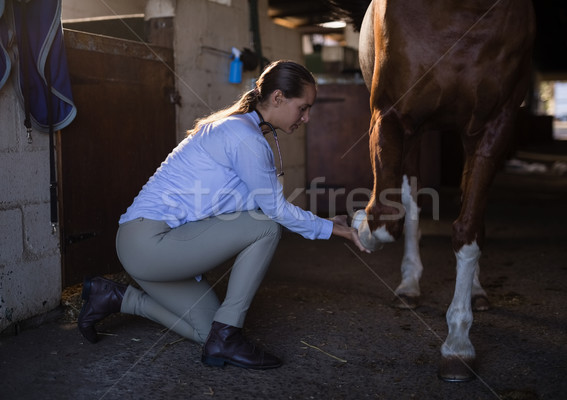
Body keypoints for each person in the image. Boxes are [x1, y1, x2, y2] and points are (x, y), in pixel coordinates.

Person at [77, 60, 368, 370]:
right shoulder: (245, 137)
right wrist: (339, 231)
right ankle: (229, 334)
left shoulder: (241, 129)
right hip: (149, 244)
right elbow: (274, 211)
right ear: (279, 98)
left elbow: (248, 206)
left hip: (148, 247)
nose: (307, 118)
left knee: (208, 333)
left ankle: (114, 297)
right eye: (303, 108)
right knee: (267, 227)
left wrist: (327, 222)